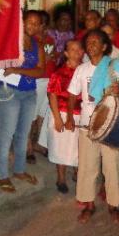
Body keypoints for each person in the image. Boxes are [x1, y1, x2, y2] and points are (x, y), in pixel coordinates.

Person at [68, 30, 119, 224]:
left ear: (104, 46)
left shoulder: (115, 66)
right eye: (88, 41)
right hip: (88, 124)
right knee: (87, 167)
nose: (91, 44)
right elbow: (72, 93)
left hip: (110, 124)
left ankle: (114, 205)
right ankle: (89, 205)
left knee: (112, 166)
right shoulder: (81, 69)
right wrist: (70, 116)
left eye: (96, 41)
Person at [0, 11, 46, 193]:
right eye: (28, 22)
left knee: (23, 135)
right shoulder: (10, 40)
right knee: (6, 134)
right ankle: (2, 175)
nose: (31, 25)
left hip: (29, 93)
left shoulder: (37, 45)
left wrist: (18, 70)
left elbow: (40, 71)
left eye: (35, 23)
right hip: (9, 92)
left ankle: (19, 170)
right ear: (21, 22)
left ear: (40, 26)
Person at [46, 39, 84, 193]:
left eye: (79, 49)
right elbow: (52, 95)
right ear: (66, 53)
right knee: (60, 146)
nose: (76, 52)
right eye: (72, 49)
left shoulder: (86, 71)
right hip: (61, 112)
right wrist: (57, 118)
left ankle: (77, 171)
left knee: (77, 146)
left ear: (83, 52)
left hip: (80, 114)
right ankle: (61, 177)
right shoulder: (59, 73)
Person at [28, 10, 56, 163]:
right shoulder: (30, 40)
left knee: (42, 115)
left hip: (48, 80)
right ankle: (28, 147)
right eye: (40, 24)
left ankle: (37, 143)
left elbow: (51, 57)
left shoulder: (49, 39)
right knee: (30, 116)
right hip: (36, 80)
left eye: (45, 24)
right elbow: (40, 60)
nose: (43, 27)